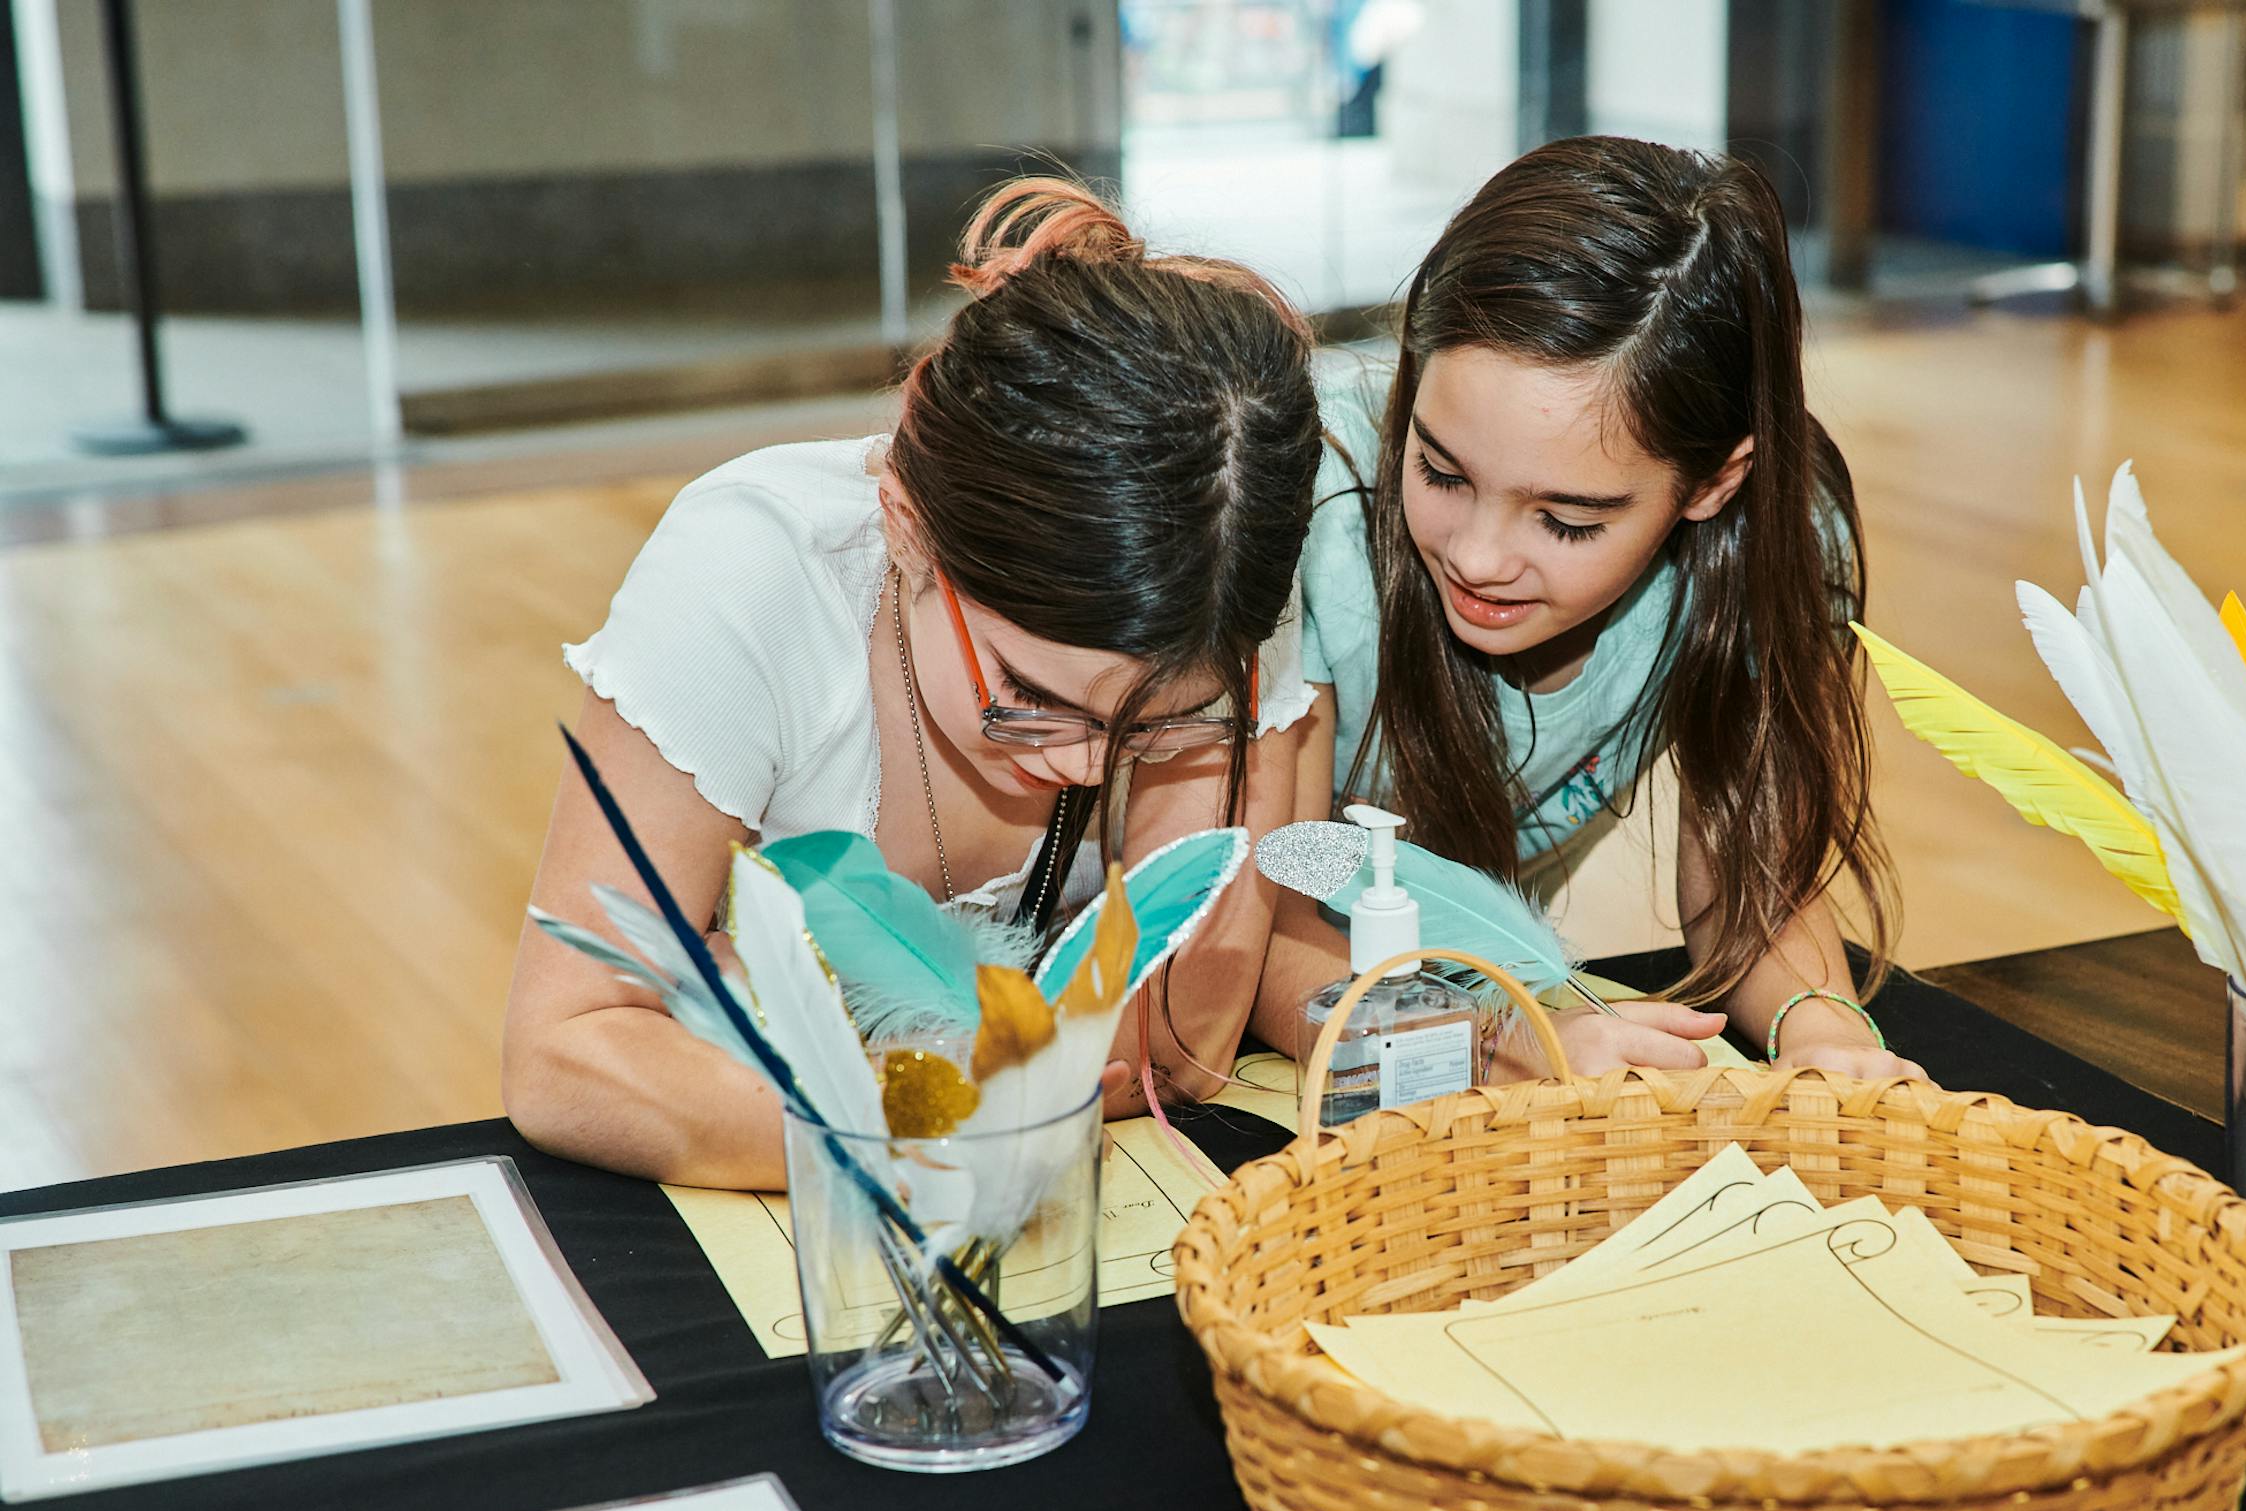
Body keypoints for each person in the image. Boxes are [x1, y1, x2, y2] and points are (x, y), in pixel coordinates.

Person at [506, 177, 1326, 1187]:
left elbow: (1180, 1040)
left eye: (1151, 728)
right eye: (1030, 694)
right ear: (906, 527)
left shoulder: (1216, 571)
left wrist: (823, 1056)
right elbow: (565, 1053)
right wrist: (943, 1115)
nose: (1080, 765)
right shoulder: (752, 573)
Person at [1254, 137, 1923, 1081]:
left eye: (1566, 522)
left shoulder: (1784, 539)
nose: (1479, 558)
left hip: (1446, 1018)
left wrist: (1825, 1039)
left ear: (1713, 485)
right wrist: (1476, 1046)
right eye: (1438, 469)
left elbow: (1755, 885)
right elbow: (1255, 920)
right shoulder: (1310, 509)